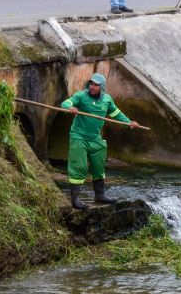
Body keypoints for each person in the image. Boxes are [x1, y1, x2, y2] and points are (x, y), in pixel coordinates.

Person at [60, 73, 140, 210]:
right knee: (79, 166)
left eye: (96, 85)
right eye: (91, 83)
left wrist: (129, 122)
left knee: (98, 166)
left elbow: (116, 114)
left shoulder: (107, 100)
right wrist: (70, 108)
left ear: (102, 87)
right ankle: (75, 200)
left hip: (95, 138)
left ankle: (100, 195)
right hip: (79, 136)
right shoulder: (81, 96)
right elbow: (66, 103)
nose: (92, 86)